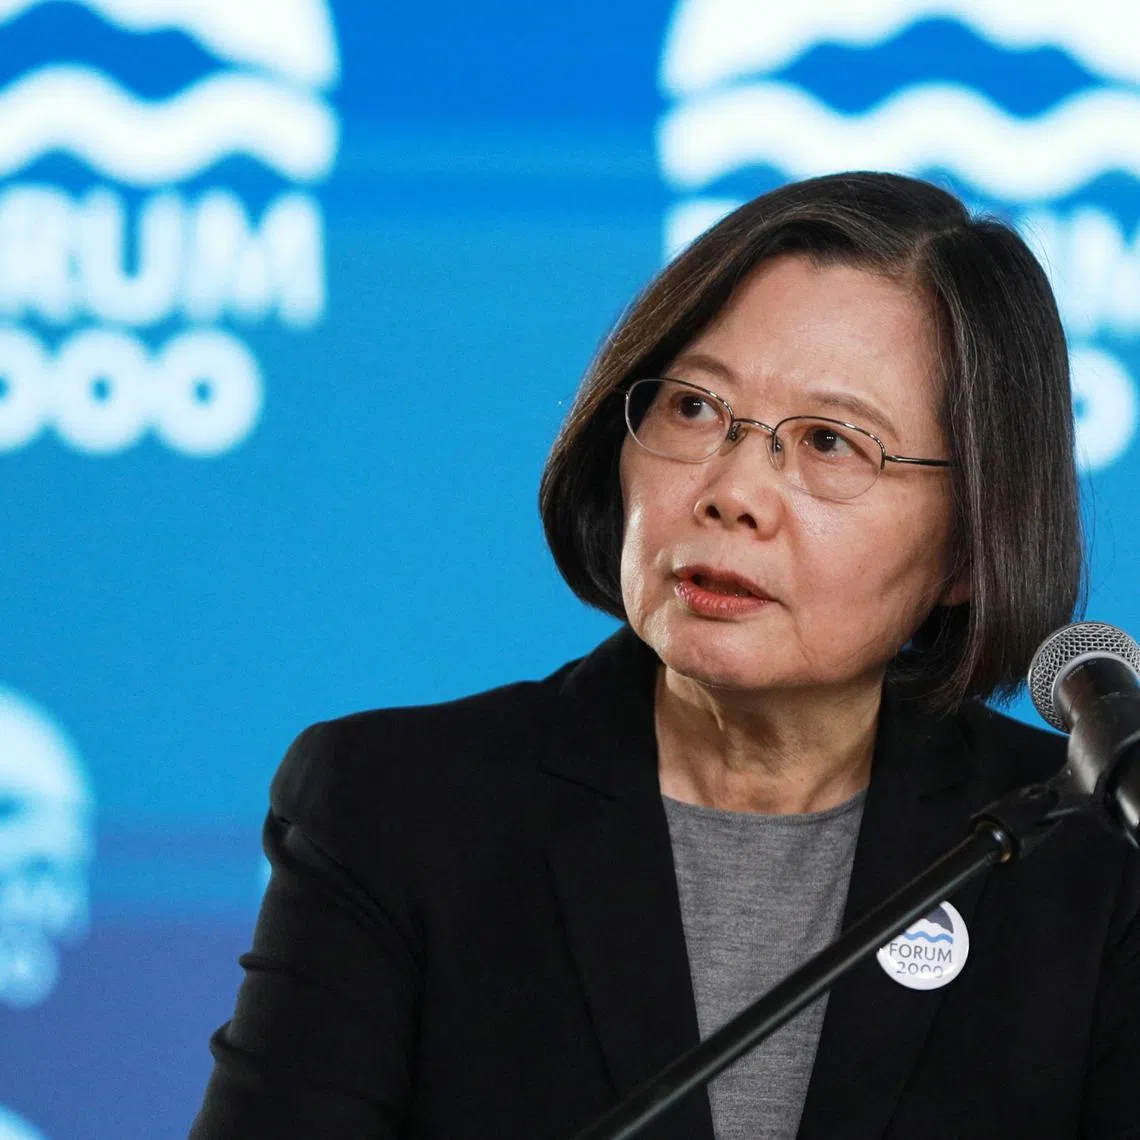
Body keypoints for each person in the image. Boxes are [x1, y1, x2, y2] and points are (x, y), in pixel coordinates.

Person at [190, 172, 1139, 1140]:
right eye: (693, 409)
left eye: (829, 442)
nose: (732, 491)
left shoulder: (1092, 859)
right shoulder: (398, 810)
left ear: (971, 545)